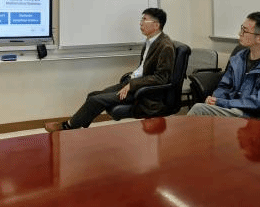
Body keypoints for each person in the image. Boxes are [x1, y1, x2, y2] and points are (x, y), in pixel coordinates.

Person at [44, 8, 175, 131]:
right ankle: (78, 125)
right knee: (93, 95)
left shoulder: (165, 46)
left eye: (144, 20)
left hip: (143, 92)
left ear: (156, 25)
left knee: (95, 100)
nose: (140, 23)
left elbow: (161, 78)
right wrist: (130, 82)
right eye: (141, 19)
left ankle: (67, 126)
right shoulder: (150, 41)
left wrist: (132, 85)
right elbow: (143, 68)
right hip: (133, 83)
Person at [188, 11, 260, 119]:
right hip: (233, 108)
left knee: (199, 109)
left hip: (255, 115)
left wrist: (223, 103)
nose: (239, 33)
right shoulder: (239, 57)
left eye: (245, 31)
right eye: (242, 28)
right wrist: (215, 99)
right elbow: (224, 85)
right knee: (204, 111)